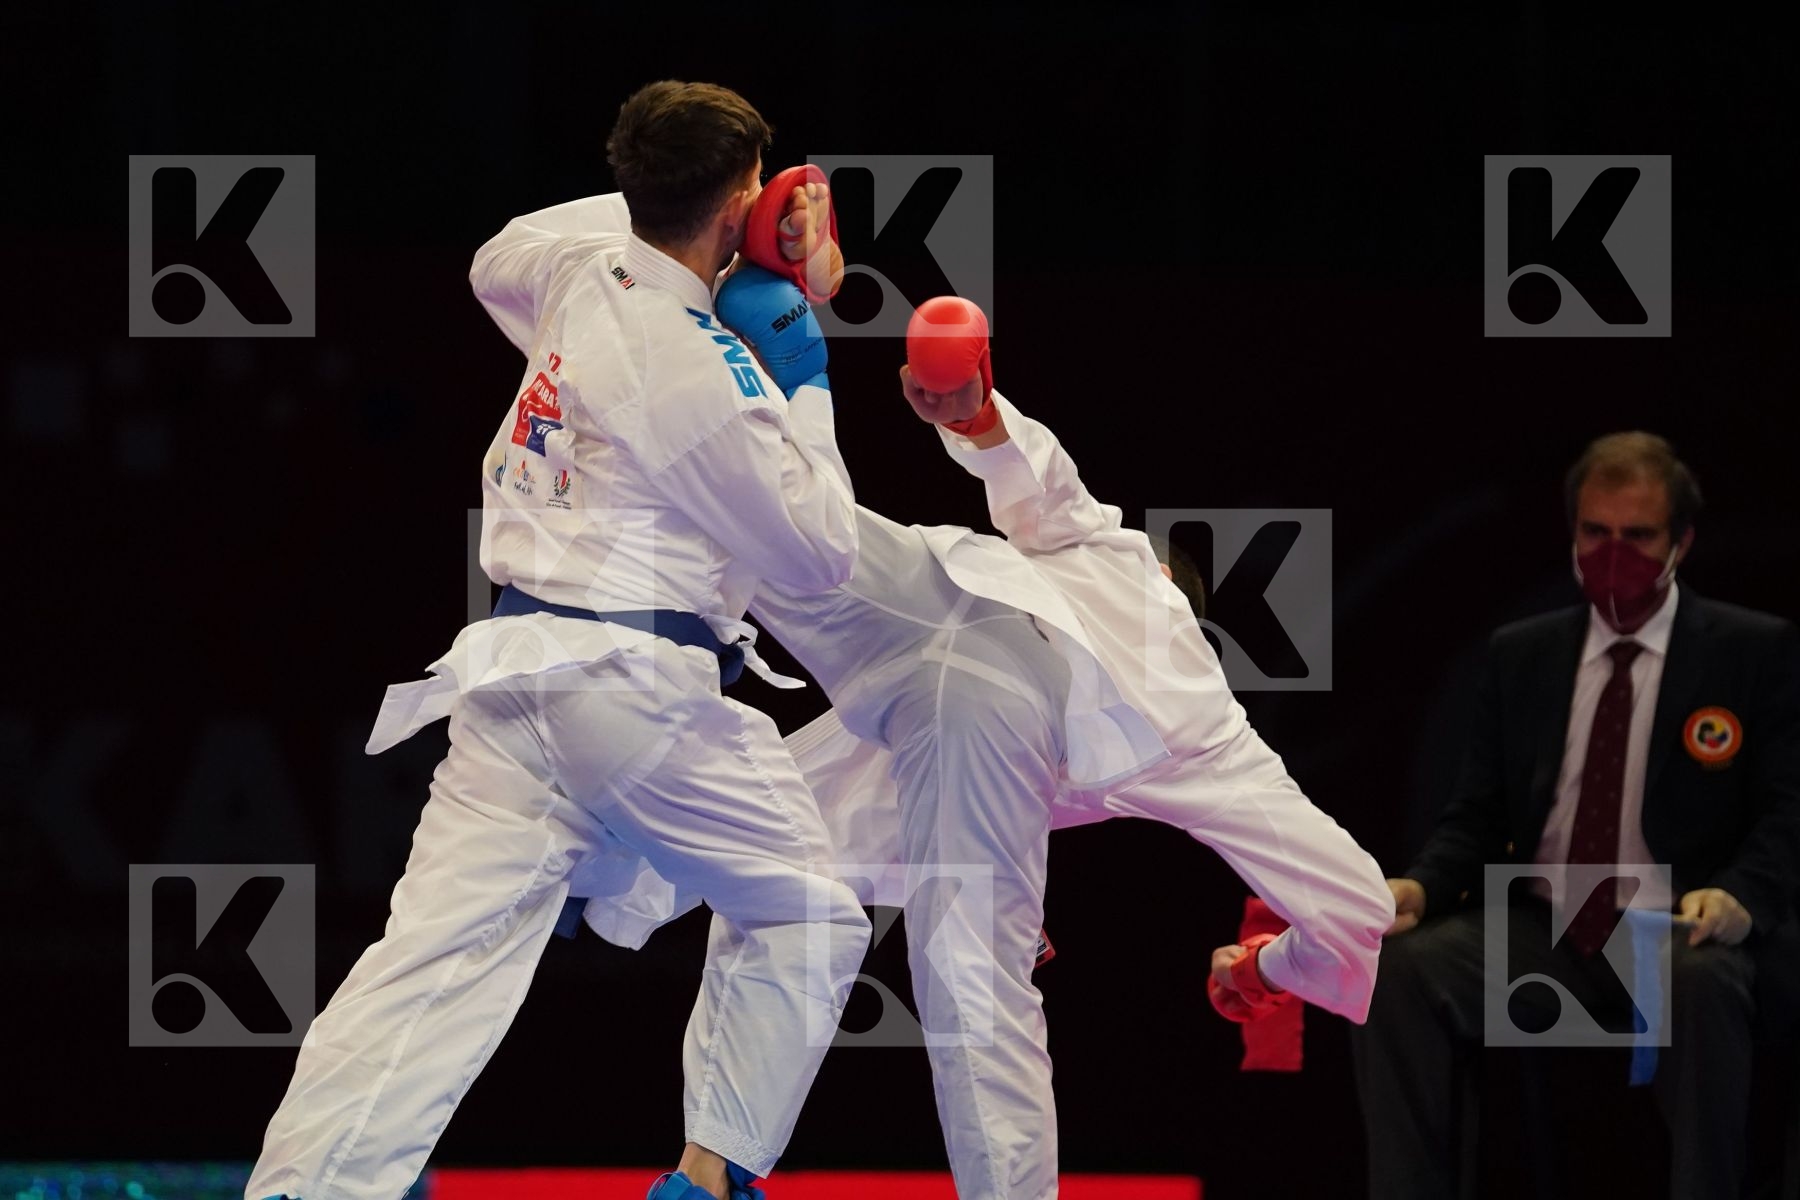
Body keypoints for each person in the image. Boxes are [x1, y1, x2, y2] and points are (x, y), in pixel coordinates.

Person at [616, 280, 1396, 1198]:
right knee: (971, 994)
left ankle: (708, 1171)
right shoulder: (1205, 722)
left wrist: (978, 415)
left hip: (928, 613)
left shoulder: (1119, 577)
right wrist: (1268, 967)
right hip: (961, 680)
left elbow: (1047, 491)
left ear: (1155, 569)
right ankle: (716, 1169)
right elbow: (1360, 912)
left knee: (766, 533)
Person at [246, 81, 869, 1200]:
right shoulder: (705, 370)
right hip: (632, 689)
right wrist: (804, 372)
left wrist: (713, 232)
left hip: (512, 680)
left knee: (426, 968)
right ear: (739, 202)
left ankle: (306, 1190)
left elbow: (495, 257)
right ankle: (712, 1176)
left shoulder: (580, 266)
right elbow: (821, 551)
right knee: (806, 910)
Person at [1350, 431, 1800, 1199]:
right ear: (1572, 535)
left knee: (1704, 985)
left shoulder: (1751, 652)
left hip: (1677, 931)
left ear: (1681, 544)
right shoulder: (1522, 654)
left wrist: (1739, 898)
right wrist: (1419, 889)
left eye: (1637, 536)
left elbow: (1788, 813)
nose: (1612, 551)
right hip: (1550, 928)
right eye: (1596, 533)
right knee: (1401, 971)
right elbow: (1478, 815)